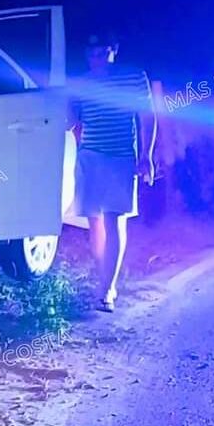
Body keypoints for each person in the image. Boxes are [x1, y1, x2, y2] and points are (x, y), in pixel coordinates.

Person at [70, 34, 157, 312]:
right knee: (94, 221)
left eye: (101, 51)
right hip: (90, 158)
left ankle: (107, 289)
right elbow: (74, 120)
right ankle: (104, 277)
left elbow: (146, 116)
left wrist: (146, 156)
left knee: (113, 219)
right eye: (91, 52)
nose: (95, 57)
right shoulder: (81, 82)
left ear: (114, 50)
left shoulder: (133, 77)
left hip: (120, 157)